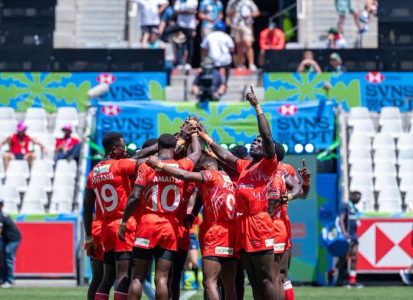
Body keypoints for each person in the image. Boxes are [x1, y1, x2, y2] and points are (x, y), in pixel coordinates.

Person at [198, 87, 280, 300]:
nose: (256, 142)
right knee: (252, 278)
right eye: (254, 141)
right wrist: (204, 135)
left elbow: (268, 137)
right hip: (242, 225)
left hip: (259, 223)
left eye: (259, 142)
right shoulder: (246, 166)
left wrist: (257, 107)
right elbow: (225, 155)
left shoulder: (267, 165)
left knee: (266, 277)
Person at [118, 132, 201, 300]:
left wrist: (124, 220)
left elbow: (134, 197)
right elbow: (196, 154)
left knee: (137, 276)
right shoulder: (182, 166)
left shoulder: (147, 166)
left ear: (158, 147)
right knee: (162, 278)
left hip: (148, 223)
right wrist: (194, 135)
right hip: (169, 226)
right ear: (174, 147)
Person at [147, 156, 238, 299]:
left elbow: (185, 175)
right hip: (232, 233)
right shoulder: (226, 177)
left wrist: (160, 165)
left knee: (210, 282)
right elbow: (202, 195)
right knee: (229, 284)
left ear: (205, 168)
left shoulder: (209, 174)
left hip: (216, 232)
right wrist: (194, 213)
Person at [83, 132, 157, 300]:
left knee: (105, 277)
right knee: (123, 276)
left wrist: (88, 236)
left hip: (105, 228)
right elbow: (143, 161)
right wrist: (164, 148)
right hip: (123, 225)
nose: (125, 151)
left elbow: (87, 207)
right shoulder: (120, 166)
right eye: (123, 147)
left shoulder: (93, 173)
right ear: (115, 149)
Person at [162, 0, 198, 71]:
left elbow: (192, 11)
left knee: (189, 44)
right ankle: (177, 61)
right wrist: (186, 11)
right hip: (179, 24)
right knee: (166, 32)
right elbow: (176, 10)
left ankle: (188, 63)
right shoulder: (179, 1)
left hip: (189, 26)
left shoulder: (193, 1)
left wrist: (181, 11)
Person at [338, 191, 363, 288]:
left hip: (354, 235)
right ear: (352, 196)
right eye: (357, 196)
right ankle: (335, 276)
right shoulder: (346, 206)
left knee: (354, 257)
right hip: (347, 235)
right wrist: (344, 232)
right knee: (344, 257)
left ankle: (352, 281)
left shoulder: (355, 208)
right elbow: (341, 219)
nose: (359, 198)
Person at [226, 0, 260, 71]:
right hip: (236, 26)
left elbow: (257, 12)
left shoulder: (249, 2)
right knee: (239, 45)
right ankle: (240, 64)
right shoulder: (231, 2)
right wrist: (230, 19)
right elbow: (228, 14)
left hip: (247, 26)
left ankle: (251, 64)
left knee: (248, 44)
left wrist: (249, 15)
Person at [0, 198, 22, 288]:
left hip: (13, 239)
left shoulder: (1, 215)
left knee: (8, 258)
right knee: (4, 258)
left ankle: (9, 281)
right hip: (7, 239)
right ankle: (4, 279)